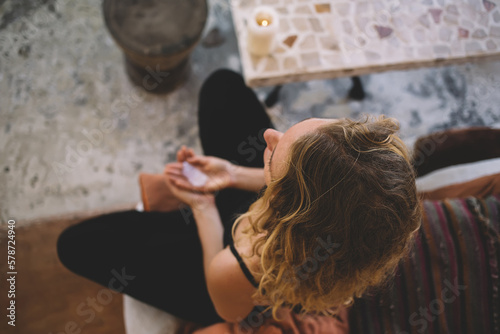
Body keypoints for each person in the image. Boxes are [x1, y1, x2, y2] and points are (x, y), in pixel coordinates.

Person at [57, 69, 421, 329]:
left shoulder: (242, 268)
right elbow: (290, 192)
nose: (269, 132)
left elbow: (227, 304)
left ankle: (175, 215)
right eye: (296, 129)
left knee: (74, 245)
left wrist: (201, 206)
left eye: (277, 153)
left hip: (220, 266)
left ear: (282, 202)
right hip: (293, 214)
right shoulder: (375, 205)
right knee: (222, 86)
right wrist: (231, 174)